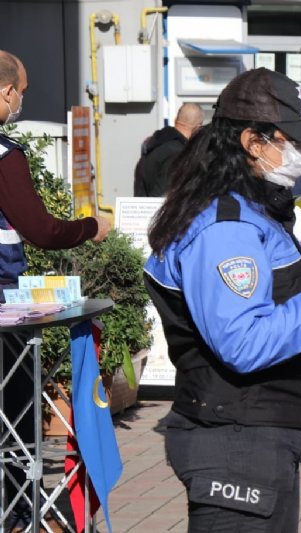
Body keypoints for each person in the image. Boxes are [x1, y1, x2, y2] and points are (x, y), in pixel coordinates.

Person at [143, 68, 301, 533]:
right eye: (290, 140)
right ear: (253, 142)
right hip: (236, 442)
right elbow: (244, 341)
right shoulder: (226, 227)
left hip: (255, 434)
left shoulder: (247, 208)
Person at [0, 49, 112, 531]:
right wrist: (92, 228)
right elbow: (41, 230)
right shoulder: (4, 153)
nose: (20, 101)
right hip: (3, 300)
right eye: (21, 94)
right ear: (6, 92)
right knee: (14, 408)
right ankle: (18, 509)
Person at [135, 102, 203, 197]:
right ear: (197, 128)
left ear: (175, 119)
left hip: (143, 208)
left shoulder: (154, 144)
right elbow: (164, 195)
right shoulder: (178, 153)